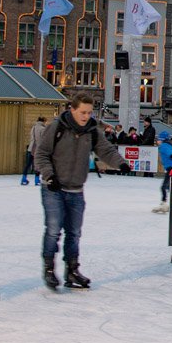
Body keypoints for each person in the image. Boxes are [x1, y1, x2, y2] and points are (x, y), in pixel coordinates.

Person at [34, 92, 131, 291]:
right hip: (53, 188)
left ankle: (72, 270)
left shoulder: (92, 130)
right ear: (73, 109)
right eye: (82, 112)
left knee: (74, 233)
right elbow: (41, 154)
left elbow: (106, 150)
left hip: (76, 189)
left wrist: (121, 164)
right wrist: (49, 176)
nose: (86, 116)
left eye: (89, 112)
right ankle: (49, 269)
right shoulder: (57, 127)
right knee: (53, 231)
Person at [153, 135, 172, 213]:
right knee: (169, 187)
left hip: (171, 168)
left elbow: (169, 152)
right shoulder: (169, 145)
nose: (157, 141)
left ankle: (164, 203)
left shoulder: (164, 145)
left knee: (164, 187)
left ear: (162, 140)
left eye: (158, 139)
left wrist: (171, 155)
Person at [20, 116, 46, 186]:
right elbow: (44, 139)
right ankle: (37, 180)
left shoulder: (33, 128)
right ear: (43, 121)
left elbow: (32, 137)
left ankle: (23, 179)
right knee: (37, 165)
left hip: (31, 148)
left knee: (28, 164)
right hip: (38, 149)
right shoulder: (43, 129)